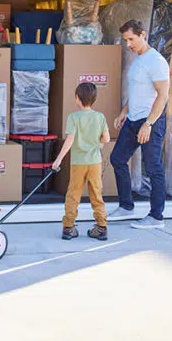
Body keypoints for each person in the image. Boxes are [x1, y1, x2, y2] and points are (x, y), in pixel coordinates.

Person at [108, 20, 170, 229]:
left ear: (143, 35)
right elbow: (136, 92)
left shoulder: (156, 61)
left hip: (149, 121)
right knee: (117, 159)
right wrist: (123, 113)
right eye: (126, 40)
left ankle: (156, 217)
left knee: (153, 169)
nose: (128, 44)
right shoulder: (137, 60)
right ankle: (126, 206)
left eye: (131, 39)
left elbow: (163, 96)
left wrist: (149, 124)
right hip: (133, 120)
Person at [52, 82, 111, 241]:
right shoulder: (100, 117)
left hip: (78, 163)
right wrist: (98, 144)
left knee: (73, 194)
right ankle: (101, 227)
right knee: (96, 193)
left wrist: (58, 160)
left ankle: (69, 227)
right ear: (94, 99)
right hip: (95, 163)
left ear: (77, 98)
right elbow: (106, 138)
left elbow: (69, 140)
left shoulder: (73, 117)